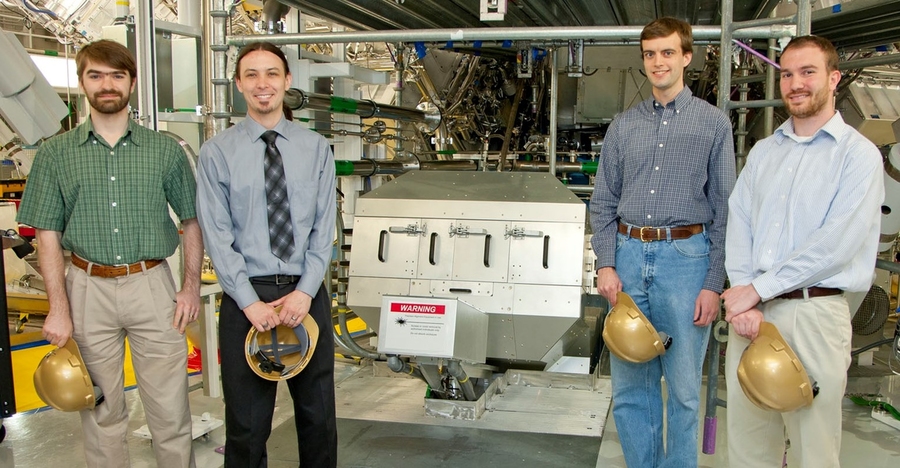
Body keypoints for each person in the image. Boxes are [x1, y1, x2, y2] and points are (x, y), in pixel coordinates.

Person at [16, 39, 202, 467]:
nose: (107, 84)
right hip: (85, 288)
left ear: (132, 83)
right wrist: (58, 308)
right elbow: (47, 236)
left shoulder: (164, 151)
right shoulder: (56, 155)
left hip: (152, 286)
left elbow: (192, 220)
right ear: (81, 82)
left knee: (170, 411)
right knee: (100, 412)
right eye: (95, 75)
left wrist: (190, 288)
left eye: (117, 75)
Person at [722, 35, 884, 467]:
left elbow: (837, 244)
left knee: (813, 447)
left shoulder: (858, 156)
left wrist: (755, 289)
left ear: (834, 78)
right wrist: (743, 295)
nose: (795, 83)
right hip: (751, 318)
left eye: (807, 72)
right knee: (747, 445)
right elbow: (740, 224)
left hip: (814, 316)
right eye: (787, 74)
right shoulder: (763, 152)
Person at [589, 17, 735, 467]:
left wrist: (713, 283)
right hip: (629, 259)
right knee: (632, 386)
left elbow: (727, 208)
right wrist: (606, 263)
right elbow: (603, 202)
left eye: (668, 52)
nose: (658, 62)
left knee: (685, 390)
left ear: (686, 57)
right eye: (650, 54)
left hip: (686, 260)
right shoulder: (623, 126)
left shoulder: (713, 124)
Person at [196, 41, 337, 467]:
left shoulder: (316, 149)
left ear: (287, 81)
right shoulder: (217, 153)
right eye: (252, 75)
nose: (263, 84)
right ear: (239, 84)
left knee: (317, 416)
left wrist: (305, 292)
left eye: (272, 74)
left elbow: (322, 229)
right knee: (247, 422)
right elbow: (217, 236)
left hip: (305, 295)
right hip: (247, 301)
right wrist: (249, 302)